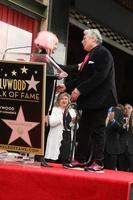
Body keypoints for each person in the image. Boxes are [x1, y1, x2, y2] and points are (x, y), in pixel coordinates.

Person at [57, 28, 118, 171]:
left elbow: (99, 76)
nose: (82, 41)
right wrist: (66, 87)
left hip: (101, 99)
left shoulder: (103, 53)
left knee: (98, 130)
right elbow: (81, 78)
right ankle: (81, 159)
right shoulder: (90, 55)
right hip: (90, 101)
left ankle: (98, 162)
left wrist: (80, 90)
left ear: (93, 39)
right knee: (84, 130)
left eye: (85, 39)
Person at [33, 31, 63, 167]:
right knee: (41, 126)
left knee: (43, 126)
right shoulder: (42, 56)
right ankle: (39, 156)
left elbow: (58, 70)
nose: (56, 47)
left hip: (47, 97)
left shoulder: (47, 57)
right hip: (42, 99)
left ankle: (40, 156)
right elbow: (43, 75)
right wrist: (56, 77)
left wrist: (78, 67)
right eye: (55, 44)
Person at [44, 92, 76, 164]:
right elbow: (51, 123)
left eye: (66, 99)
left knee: (65, 159)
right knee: (54, 159)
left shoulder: (72, 111)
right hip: (56, 136)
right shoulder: (55, 109)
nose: (64, 100)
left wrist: (74, 122)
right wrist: (62, 115)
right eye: (62, 99)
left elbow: (75, 127)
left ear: (68, 100)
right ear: (58, 101)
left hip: (67, 138)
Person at [104, 105, 124, 170]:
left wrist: (113, 120)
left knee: (110, 174)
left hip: (111, 149)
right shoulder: (98, 109)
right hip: (97, 148)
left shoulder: (119, 112)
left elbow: (121, 130)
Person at [118, 103, 133, 172]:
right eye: (125, 108)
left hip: (131, 150)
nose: (127, 109)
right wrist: (125, 124)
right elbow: (118, 130)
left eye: (129, 108)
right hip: (121, 149)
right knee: (121, 171)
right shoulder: (120, 120)